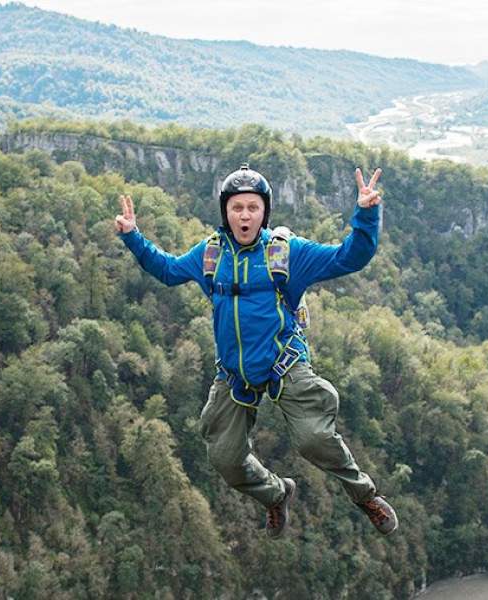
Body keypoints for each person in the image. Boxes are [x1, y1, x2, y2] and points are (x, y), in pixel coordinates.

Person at [115, 164, 398, 537]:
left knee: (314, 439)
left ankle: (364, 496)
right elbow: (167, 270)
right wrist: (133, 236)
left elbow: (350, 256)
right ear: (226, 212)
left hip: (284, 363)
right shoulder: (210, 256)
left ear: (264, 212)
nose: (245, 215)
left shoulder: (287, 253)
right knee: (225, 459)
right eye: (237, 208)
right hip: (235, 374)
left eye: (252, 207)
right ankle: (275, 494)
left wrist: (365, 213)